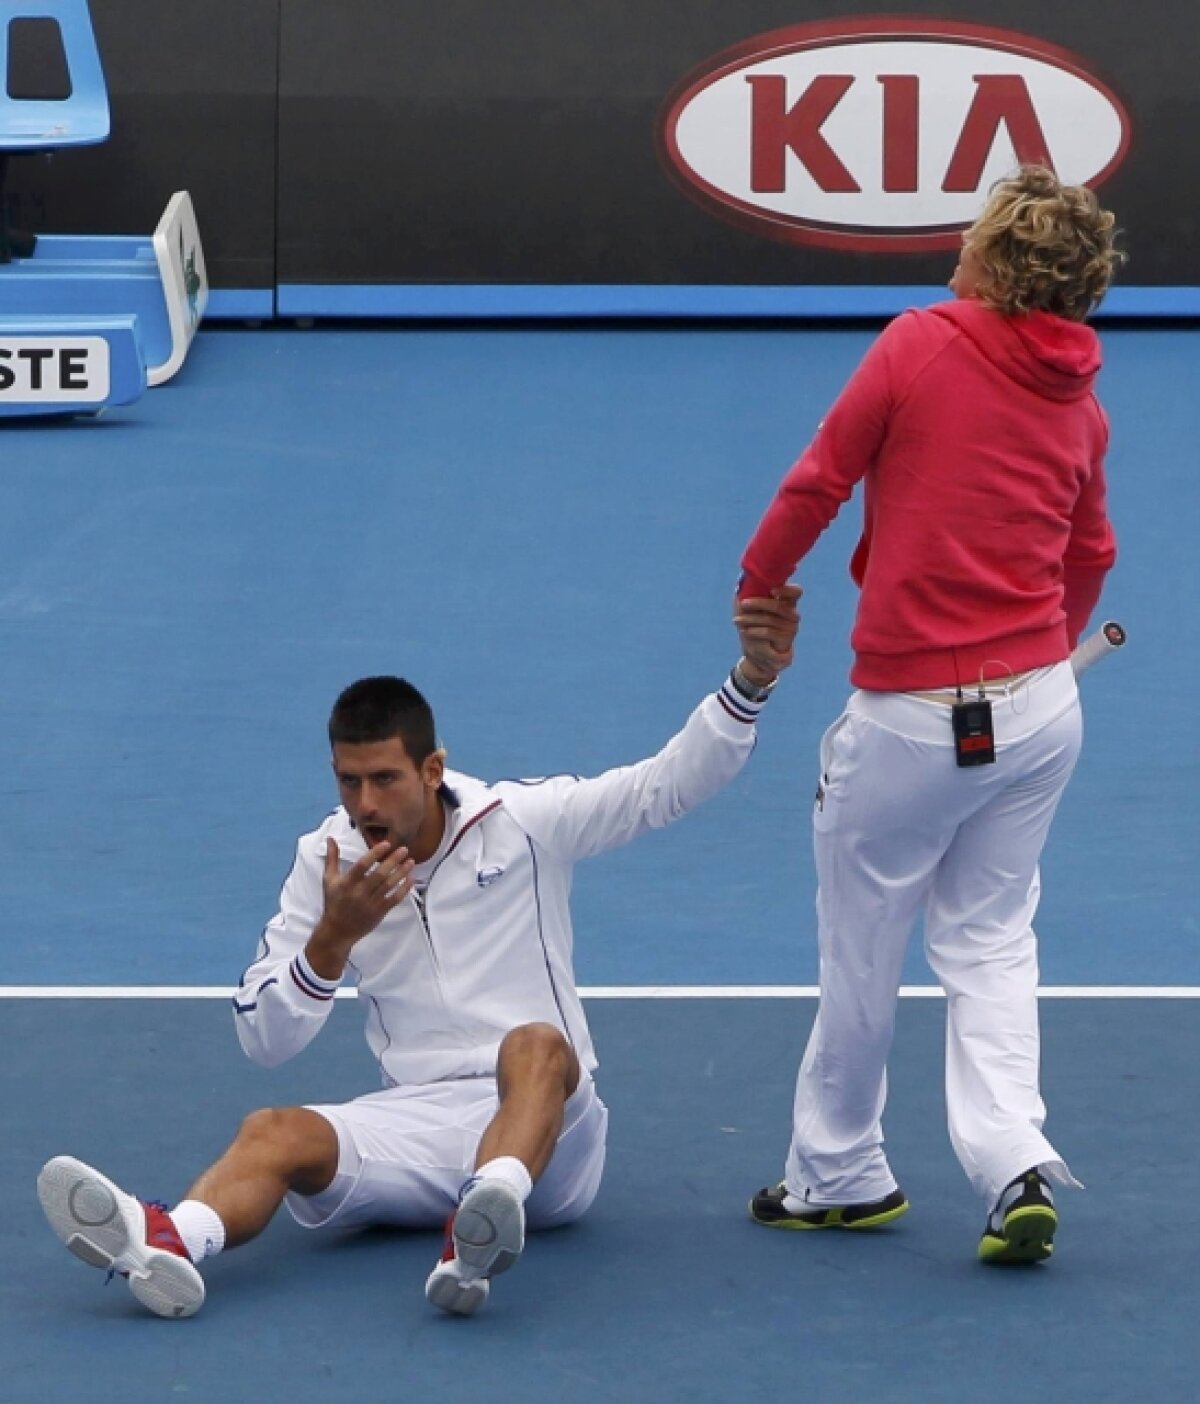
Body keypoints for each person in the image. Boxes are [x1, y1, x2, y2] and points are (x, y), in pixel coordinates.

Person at [37, 591, 800, 1319]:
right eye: (347, 780)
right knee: (274, 1130)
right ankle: (170, 1244)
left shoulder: (525, 822)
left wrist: (751, 681)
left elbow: (664, 787)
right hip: (419, 1123)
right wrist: (332, 941)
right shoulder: (325, 862)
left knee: (537, 1043)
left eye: (383, 779)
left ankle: (484, 1212)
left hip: (549, 1131)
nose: (363, 804)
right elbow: (263, 1042)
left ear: (433, 770)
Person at [736, 166, 1122, 1264]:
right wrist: (1042, 651)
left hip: (911, 722)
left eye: (975, 235)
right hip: (1042, 717)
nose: (957, 245)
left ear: (1000, 264)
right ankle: (1015, 1168)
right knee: (993, 943)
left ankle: (839, 1171)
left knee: (865, 946)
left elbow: (819, 481)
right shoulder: (1082, 404)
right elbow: (1091, 555)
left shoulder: (919, 342)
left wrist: (759, 585)